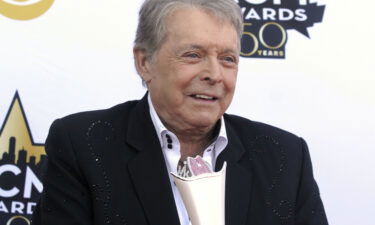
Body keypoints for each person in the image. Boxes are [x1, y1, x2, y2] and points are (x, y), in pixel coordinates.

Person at [31, 0, 328, 224]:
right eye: (193, 55)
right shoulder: (82, 144)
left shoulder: (286, 156)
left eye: (227, 59)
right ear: (145, 62)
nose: (214, 74)